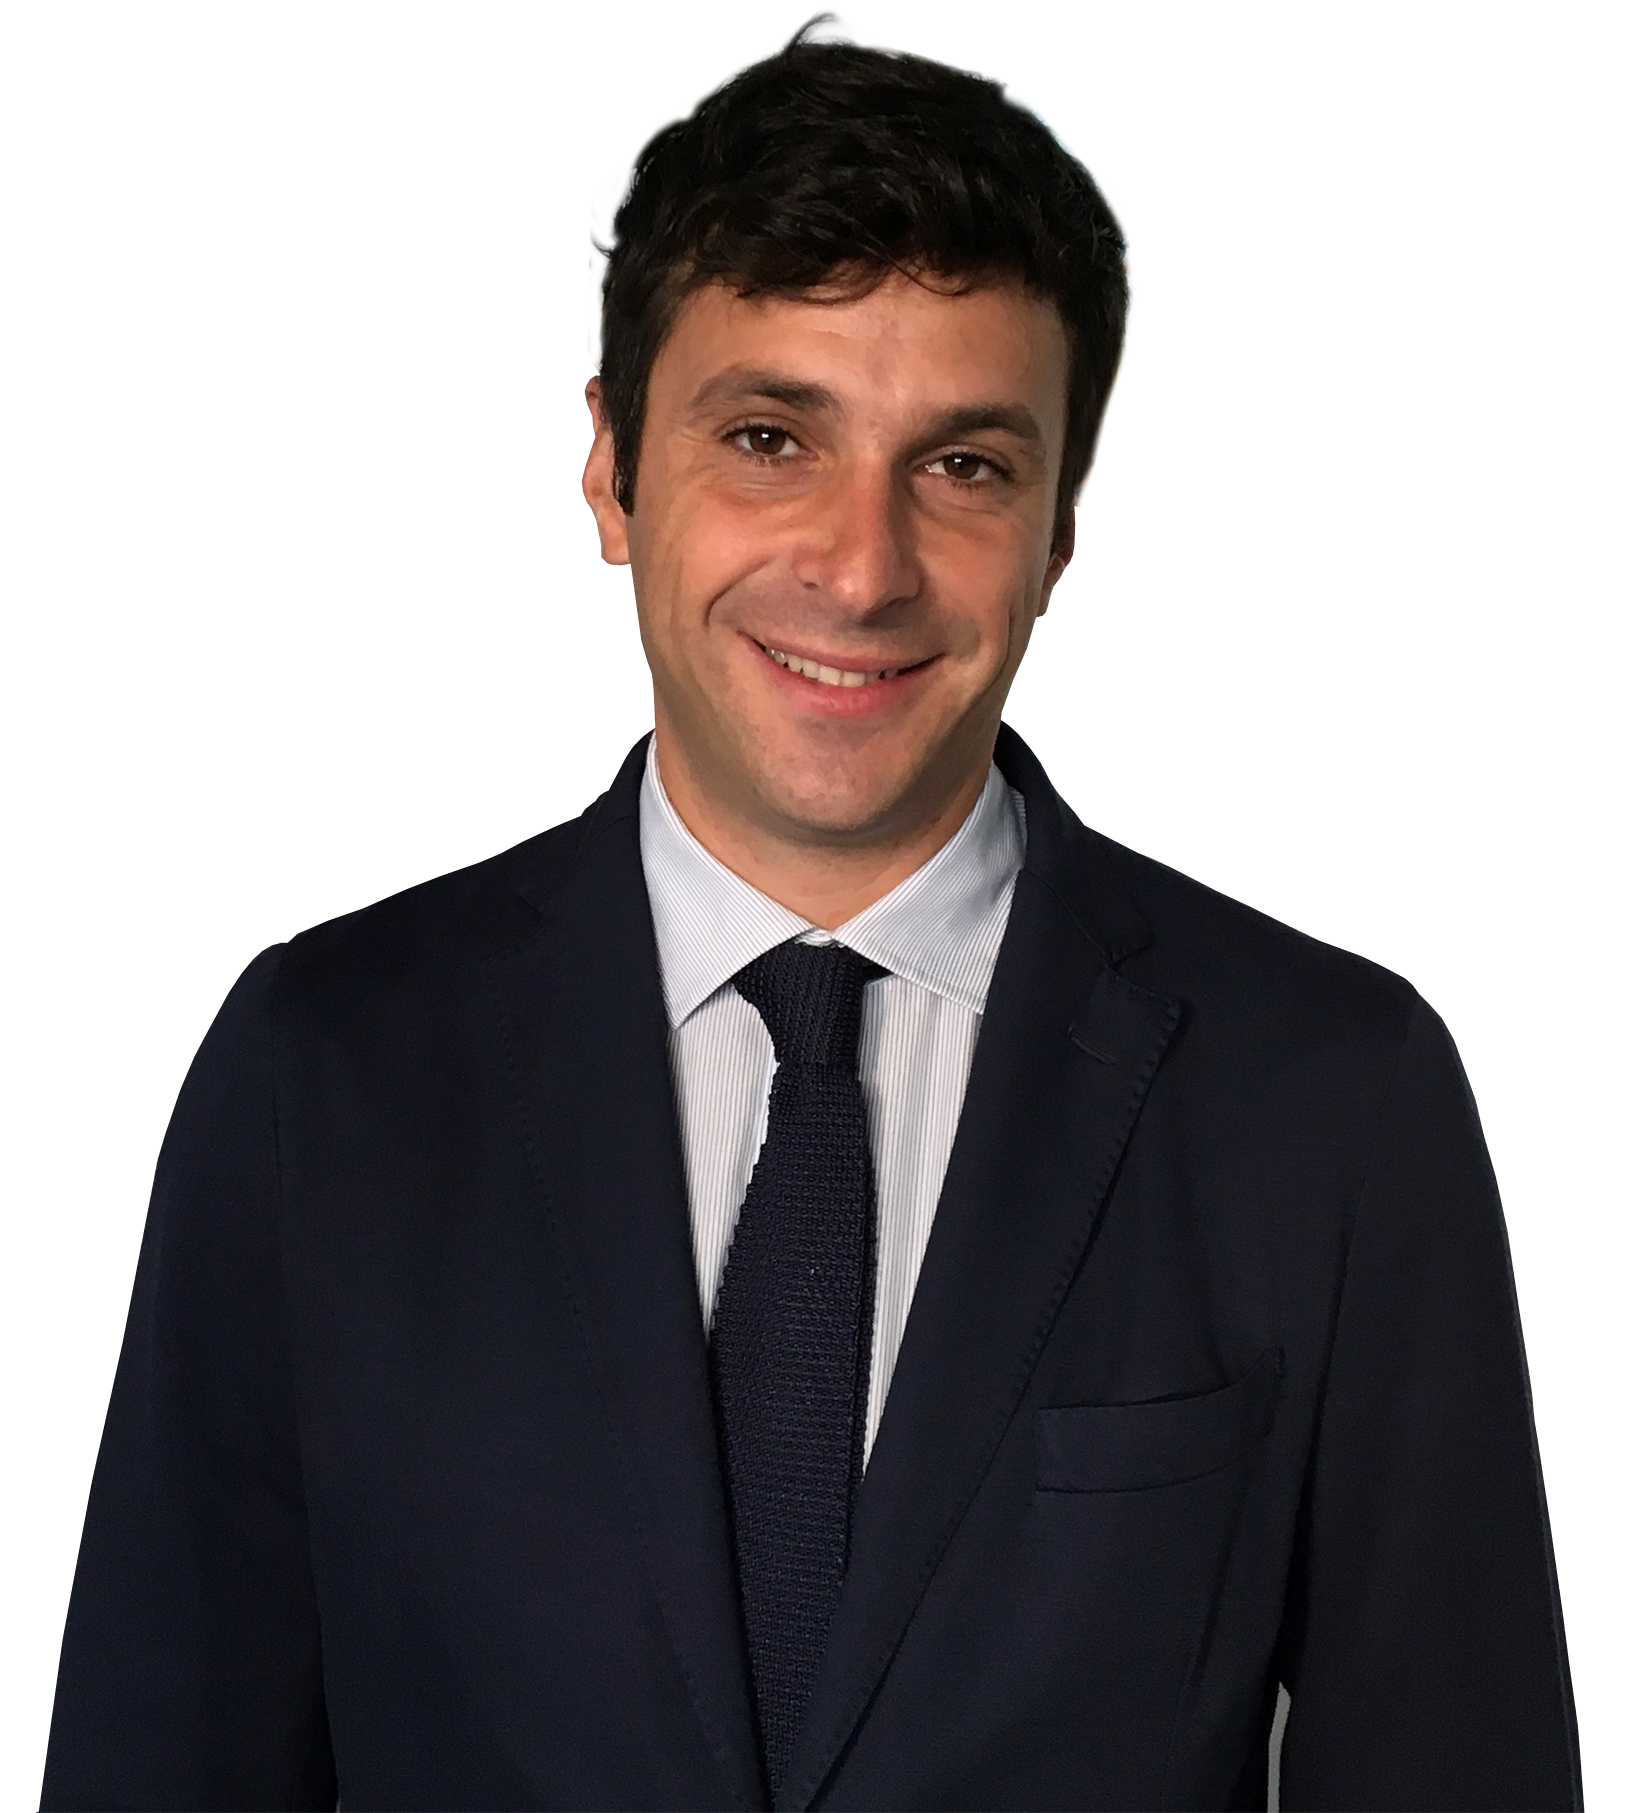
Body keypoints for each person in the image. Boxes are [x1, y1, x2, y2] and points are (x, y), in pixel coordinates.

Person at [40, 10, 1581, 1809]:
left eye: (966, 465)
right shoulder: (321, 1065)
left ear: (1065, 529)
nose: (861, 569)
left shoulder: (1337, 1095)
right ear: (612, 472)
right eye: (771, 436)